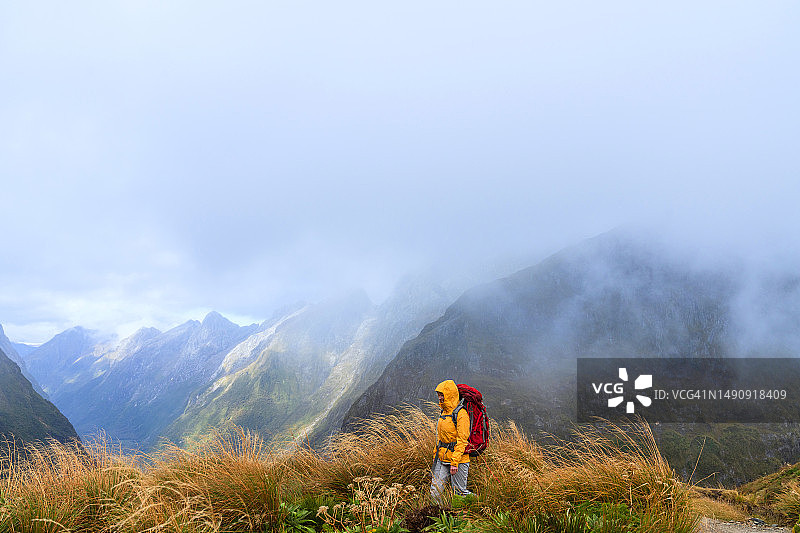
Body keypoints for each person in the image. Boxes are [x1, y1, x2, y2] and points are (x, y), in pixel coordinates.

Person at [430, 379, 473, 504]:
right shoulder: (443, 412)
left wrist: (455, 462)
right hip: (442, 458)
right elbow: (440, 437)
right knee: (435, 492)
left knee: (459, 493)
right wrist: (435, 454)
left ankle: (478, 503)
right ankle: (437, 516)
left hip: (458, 460)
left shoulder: (461, 414)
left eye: (441, 394)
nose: (439, 397)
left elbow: (462, 440)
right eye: (438, 394)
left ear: (450, 394)